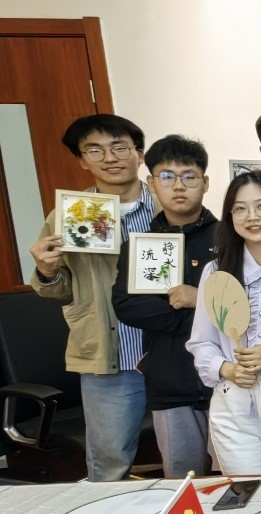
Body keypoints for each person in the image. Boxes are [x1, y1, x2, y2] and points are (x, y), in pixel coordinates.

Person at [28, 114, 157, 481]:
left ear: (139, 153)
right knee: (109, 465)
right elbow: (60, 288)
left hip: (173, 353)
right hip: (109, 355)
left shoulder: (170, 206)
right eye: (95, 150)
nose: (110, 157)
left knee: (189, 457)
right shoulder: (69, 216)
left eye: (119, 147)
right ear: (82, 160)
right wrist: (47, 271)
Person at [112, 135, 218, 477]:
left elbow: (245, 303)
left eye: (189, 176)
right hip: (170, 382)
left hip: (228, 379)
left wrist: (198, 298)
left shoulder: (230, 238)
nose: (179, 186)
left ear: (205, 182)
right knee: (182, 481)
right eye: (167, 176)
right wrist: (193, 316)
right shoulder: (141, 245)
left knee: (238, 479)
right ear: (152, 183)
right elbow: (128, 306)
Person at [187, 171, 261, 475]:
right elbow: (201, 342)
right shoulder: (217, 271)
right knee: (248, 493)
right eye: (240, 208)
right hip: (234, 405)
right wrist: (228, 369)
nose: (252, 217)